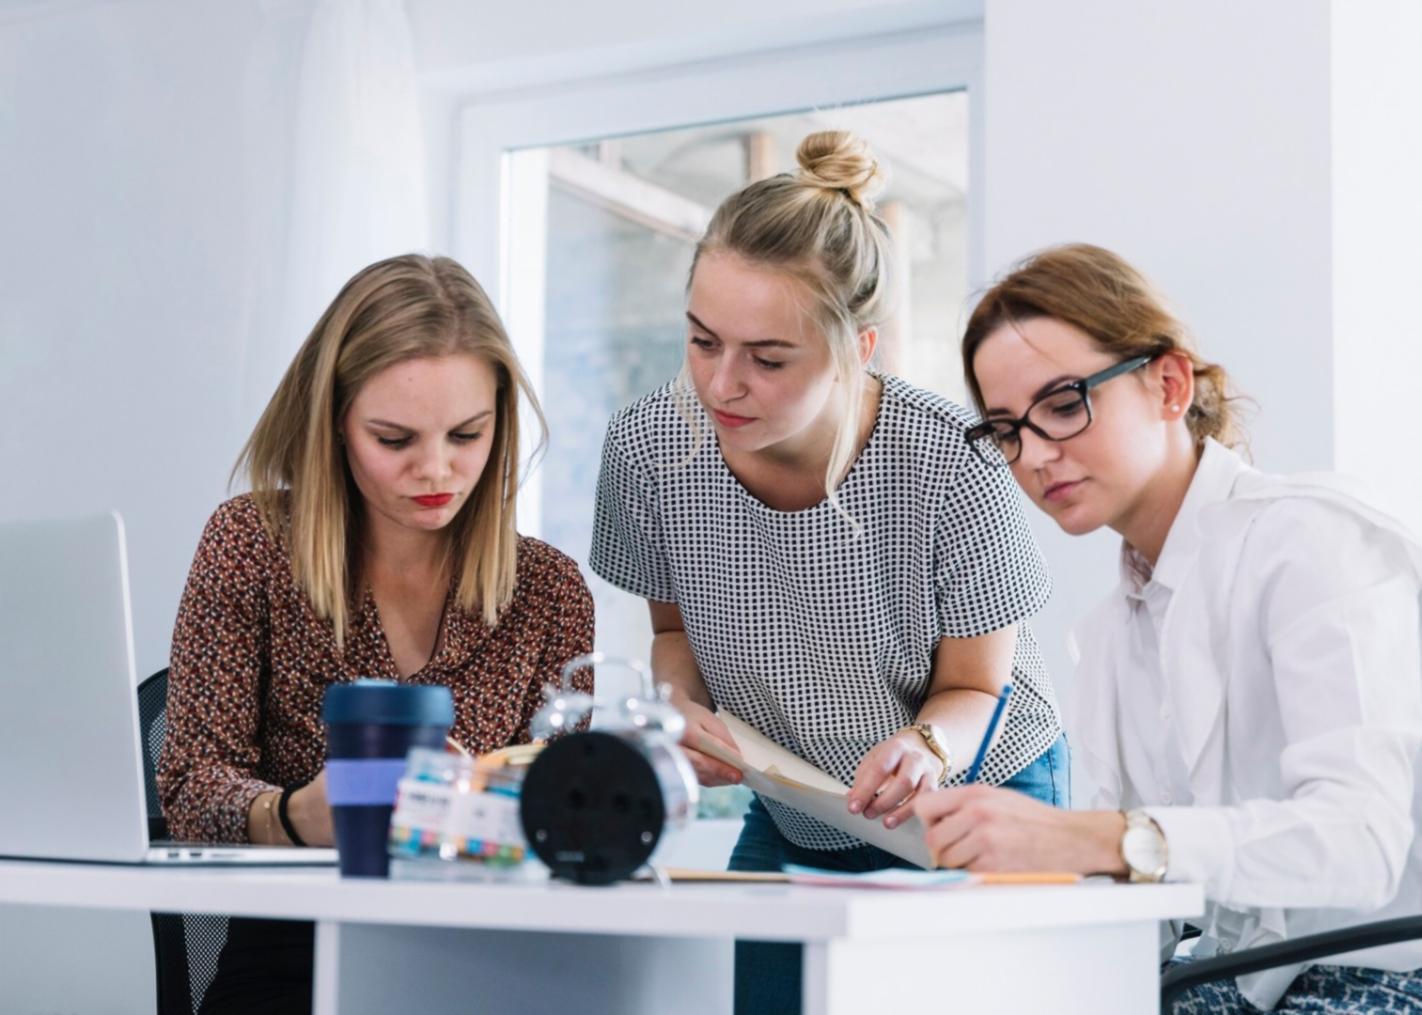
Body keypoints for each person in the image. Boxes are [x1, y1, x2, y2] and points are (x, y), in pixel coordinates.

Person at [589, 131, 1068, 1015]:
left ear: (862, 347)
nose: (721, 384)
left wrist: (923, 751)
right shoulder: (648, 450)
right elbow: (672, 631)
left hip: (975, 786)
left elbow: (974, 685)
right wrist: (680, 710)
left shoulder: (950, 462)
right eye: (701, 341)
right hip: (799, 795)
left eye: (769, 359)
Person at [918, 242, 1422, 1012]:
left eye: (1063, 403)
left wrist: (1098, 839)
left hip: (1378, 981)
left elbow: (1361, 840)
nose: (1037, 456)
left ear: (1170, 383)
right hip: (1226, 986)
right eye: (1007, 430)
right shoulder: (1115, 631)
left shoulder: (1311, 542)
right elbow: (1145, 920)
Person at [157, 253, 594, 1013]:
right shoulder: (251, 543)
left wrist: (484, 801)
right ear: (334, 423)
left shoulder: (550, 592)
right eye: (394, 439)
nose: (437, 469)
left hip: (491, 959)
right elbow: (192, 783)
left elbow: (572, 818)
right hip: (293, 950)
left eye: (467, 433)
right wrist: (296, 815)